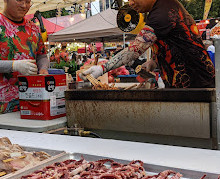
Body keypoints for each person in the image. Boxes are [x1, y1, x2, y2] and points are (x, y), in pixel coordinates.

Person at [80, 0, 215, 88]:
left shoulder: (162, 13)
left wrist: (102, 68)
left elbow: (134, 50)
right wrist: (154, 61)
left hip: (196, 84)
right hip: (188, 84)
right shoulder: (164, 7)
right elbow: (176, 42)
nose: (131, 3)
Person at [0, 0, 49, 113]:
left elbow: (41, 55)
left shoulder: (33, 28)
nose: (24, 6)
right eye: (19, 0)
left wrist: (43, 69)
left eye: (28, 2)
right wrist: (13, 65)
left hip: (31, 103)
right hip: (2, 106)